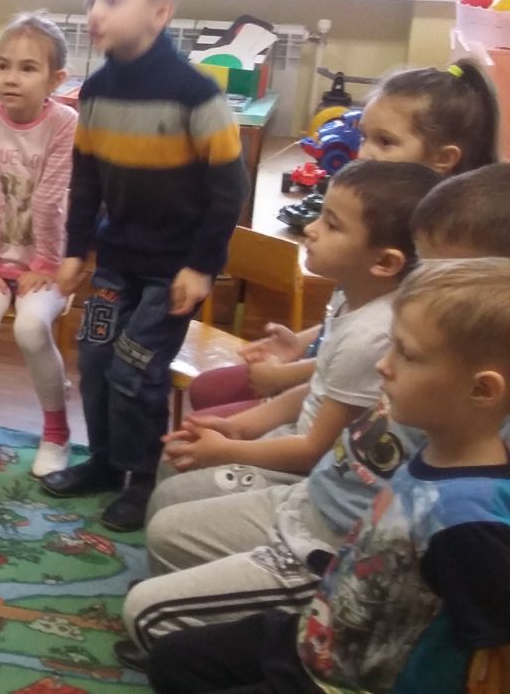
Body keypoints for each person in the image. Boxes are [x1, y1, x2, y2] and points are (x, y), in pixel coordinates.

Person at [118, 164, 510, 671]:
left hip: (327, 551)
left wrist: (238, 443)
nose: (417, 280)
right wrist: (251, 423)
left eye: (436, 269)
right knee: (169, 517)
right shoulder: (418, 351)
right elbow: (332, 400)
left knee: (147, 615)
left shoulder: (449, 392)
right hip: (313, 504)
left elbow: (321, 448)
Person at [43, 0, 248, 531]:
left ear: (160, 12)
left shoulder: (196, 94)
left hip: (172, 270)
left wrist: (202, 266)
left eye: (112, 0)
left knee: (135, 369)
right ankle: (105, 464)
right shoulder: (96, 92)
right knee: (96, 357)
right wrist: (75, 250)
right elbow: (86, 180)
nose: (95, 13)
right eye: (90, 0)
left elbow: (229, 189)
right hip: (117, 261)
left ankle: (140, 478)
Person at [185, 57, 503, 414]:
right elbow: (347, 317)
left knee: (214, 408)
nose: (364, 153)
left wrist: (285, 376)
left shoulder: (423, 252)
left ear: (443, 158)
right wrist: (300, 343)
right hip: (329, 364)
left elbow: (368, 354)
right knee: (209, 390)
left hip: (351, 396)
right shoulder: (379, 213)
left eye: (385, 142)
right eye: (365, 136)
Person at [149, 161, 439, 515]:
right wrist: (238, 427)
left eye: (331, 224)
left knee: (172, 493)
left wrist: (228, 450)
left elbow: (314, 451)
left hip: (310, 473)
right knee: (176, 463)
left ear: (384, 263)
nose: (312, 229)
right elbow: (319, 387)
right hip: (298, 436)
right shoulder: (351, 294)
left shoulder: (370, 336)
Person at [0, 13, 78, 477]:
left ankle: (56, 431)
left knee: (30, 328)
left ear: (56, 80)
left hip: (48, 260)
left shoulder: (65, 122)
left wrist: (45, 263)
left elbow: (50, 197)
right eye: (2, 66)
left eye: (27, 68)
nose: (10, 78)